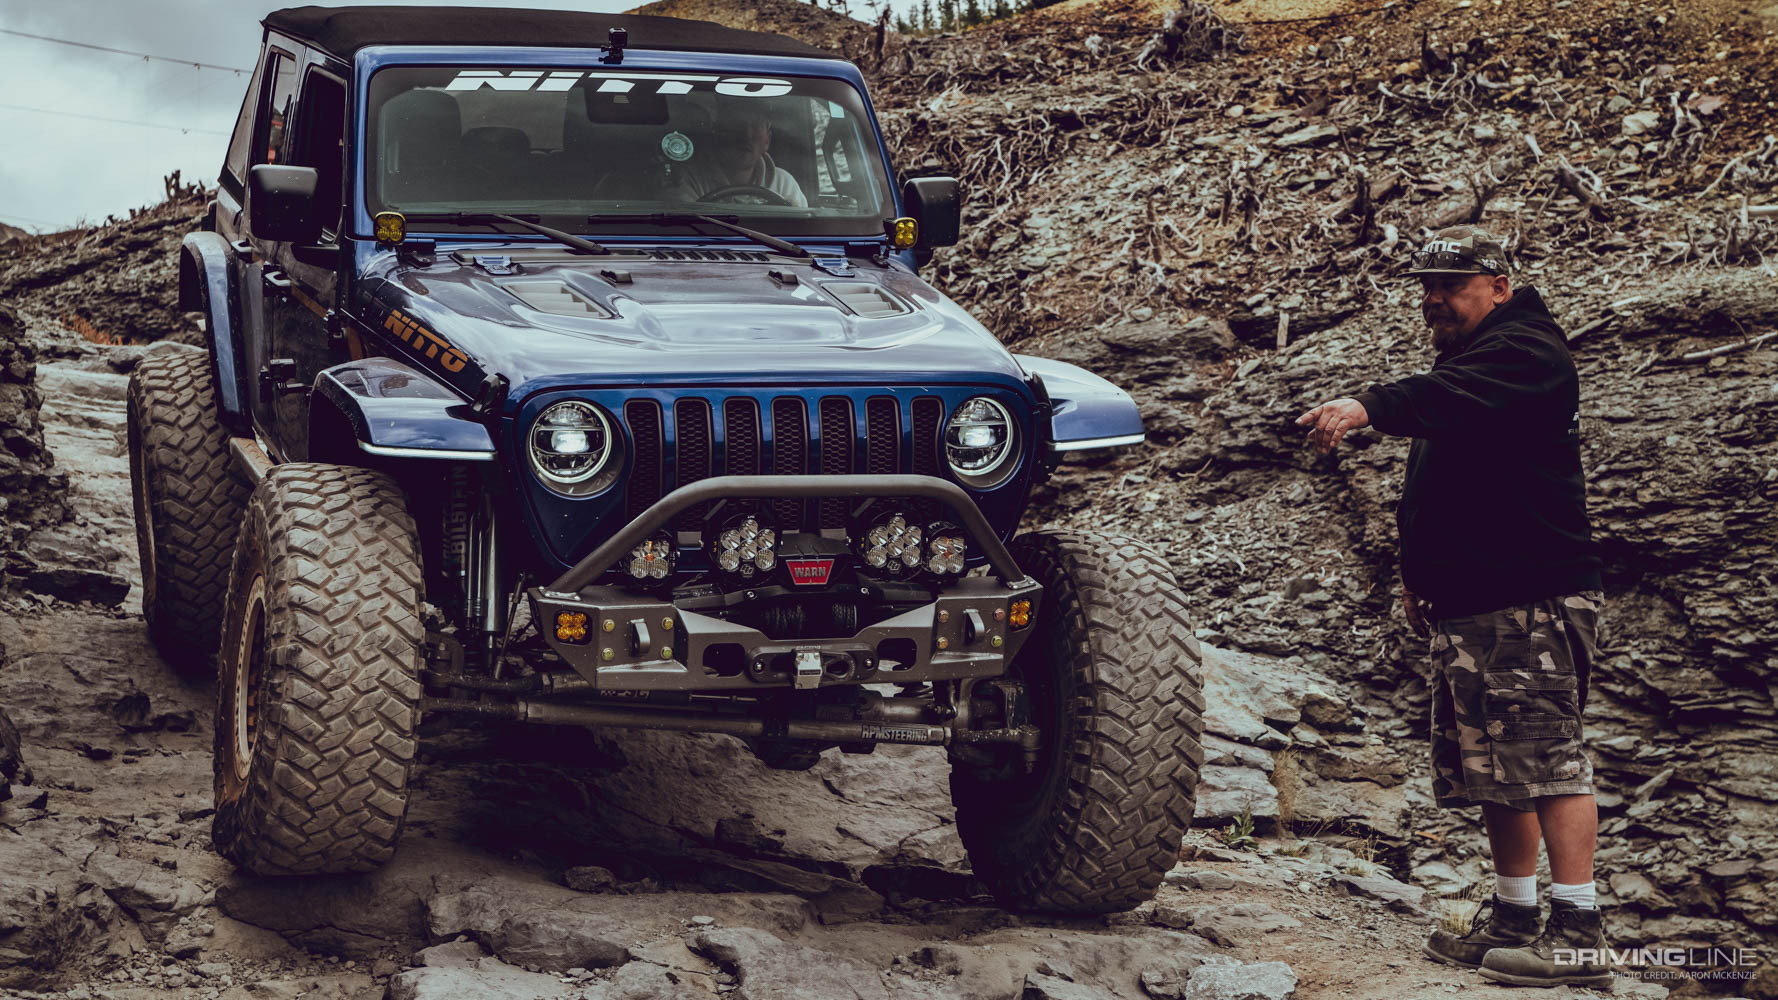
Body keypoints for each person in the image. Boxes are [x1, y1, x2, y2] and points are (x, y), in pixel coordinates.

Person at [1297, 226, 1612, 990]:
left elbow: (1436, 401)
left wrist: (1367, 404)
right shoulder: (1474, 360)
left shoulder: (1527, 353)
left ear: (1499, 285)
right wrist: (1422, 576)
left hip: (1528, 600)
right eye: (1427, 286)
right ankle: (1514, 917)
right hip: (1473, 603)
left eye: (1454, 283)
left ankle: (1577, 932)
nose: (1435, 298)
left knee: (1548, 759)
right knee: (1492, 768)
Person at [668, 103, 807, 208]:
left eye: (756, 126)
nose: (746, 135)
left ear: (767, 141)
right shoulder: (687, 179)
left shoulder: (784, 183)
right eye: (736, 125)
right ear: (719, 135)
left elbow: (801, 233)